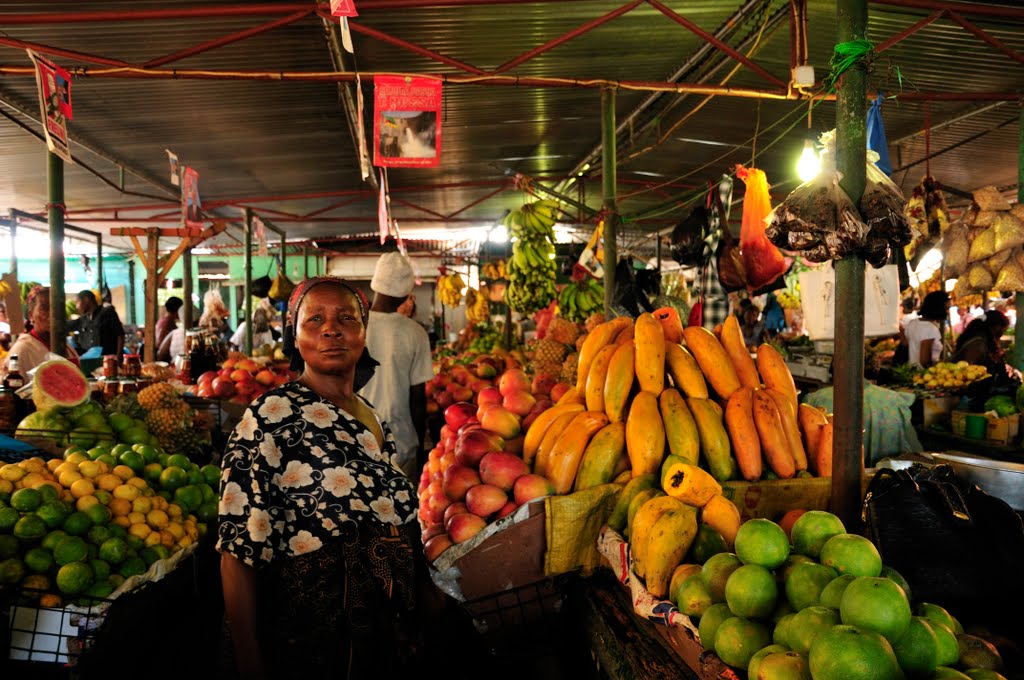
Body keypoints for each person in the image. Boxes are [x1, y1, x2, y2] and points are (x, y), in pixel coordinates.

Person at [216, 277, 421, 679]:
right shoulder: (271, 416)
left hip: (377, 638)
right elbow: (238, 549)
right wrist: (250, 664)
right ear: (293, 334)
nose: (331, 328)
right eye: (315, 320)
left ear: (364, 332)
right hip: (305, 643)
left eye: (347, 317)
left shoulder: (371, 414)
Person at [358, 253, 433, 479]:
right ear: (406, 293)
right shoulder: (415, 332)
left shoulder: (355, 326)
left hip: (355, 441)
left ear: (376, 284)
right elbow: (418, 399)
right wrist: (421, 448)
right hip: (400, 444)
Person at [1, 286, 79, 375]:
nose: (52, 313)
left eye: (57, 308)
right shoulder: (22, 349)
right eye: (44, 308)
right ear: (31, 315)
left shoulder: (63, 344)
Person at [69, 289, 124, 356]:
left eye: (77, 302)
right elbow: (67, 325)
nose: (76, 307)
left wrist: (118, 356)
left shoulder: (107, 313)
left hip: (107, 360)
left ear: (86, 299)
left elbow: (120, 335)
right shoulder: (83, 319)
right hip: (89, 362)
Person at [904, 291, 948, 368]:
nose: (947, 311)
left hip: (912, 371)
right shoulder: (931, 328)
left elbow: (907, 344)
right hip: (925, 374)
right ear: (939, 308)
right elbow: (925, 361)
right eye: (946, 308)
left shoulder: (912, 323)